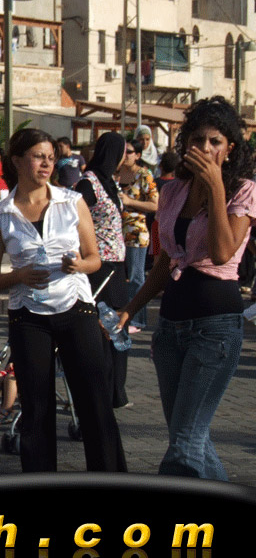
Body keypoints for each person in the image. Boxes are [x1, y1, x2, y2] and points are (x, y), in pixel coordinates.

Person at [119, 96, 256, 480]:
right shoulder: (173, 191)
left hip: (215, 327)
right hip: (170, 328)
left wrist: (215, 188)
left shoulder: (243, 191)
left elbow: (222, 251)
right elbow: (166, 260)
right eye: (198, 140)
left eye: (215, 141)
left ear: (230, 149)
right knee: (190, 437)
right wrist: (131, 308)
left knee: (184, 444)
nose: (206, 148)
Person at [0, 127, 126, 473]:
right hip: (28, 315)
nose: (46, 164)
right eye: (38, 157)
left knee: (94, 401)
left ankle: (110, 479)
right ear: (17, 160)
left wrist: (79, 265)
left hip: (76, 306)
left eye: (50, 157)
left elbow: (95, 258)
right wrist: (18, 275)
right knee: (36, 407)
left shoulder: (71, 201)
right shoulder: (0, 215)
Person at [74, 132, 131, 409]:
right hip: (100, 266)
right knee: (103, 329)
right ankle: (102, 390)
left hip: (117, 265)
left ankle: (117, 390)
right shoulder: (89, 183)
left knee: (118, 327)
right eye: (123, 152)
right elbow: (74, 217)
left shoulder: (110, 183)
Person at [118, 139, 158, 332]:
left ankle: (138, 320)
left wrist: (130, 202)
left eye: (130, 151)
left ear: (138, 155)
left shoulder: (144, 175)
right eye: (123, 151)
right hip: (115, 233)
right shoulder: (116, 173)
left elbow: (155, 205)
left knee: (136, 277)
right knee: (120, 277)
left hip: (135, 232)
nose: (125, 155)